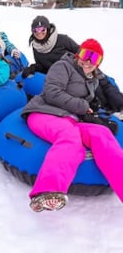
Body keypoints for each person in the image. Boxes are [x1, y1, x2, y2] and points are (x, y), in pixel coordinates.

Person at [21, 38, 123, 212]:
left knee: (102, 134)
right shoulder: (63, 66)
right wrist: (83, 106)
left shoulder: (93, 79)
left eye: (94, 59)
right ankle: (47, 191)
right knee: (70, 138)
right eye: (86, 54)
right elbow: (52, 93)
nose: (88, 61)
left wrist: (95, 114)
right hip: (45, 112)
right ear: (78, 53)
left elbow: (89, 101)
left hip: (72, 118)